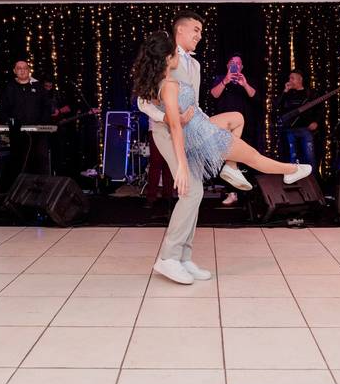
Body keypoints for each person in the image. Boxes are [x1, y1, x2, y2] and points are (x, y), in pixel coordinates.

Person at [133, 31, 311, 284]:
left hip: (201, 127)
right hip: (202, 138)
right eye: (174, 53)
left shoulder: (164, 81)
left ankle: (182, 257)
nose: (179, 56)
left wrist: (187, 117)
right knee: (253, 156)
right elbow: (174, 126)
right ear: (167, 57)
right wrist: (181, 165)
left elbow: (180, 115)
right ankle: (290, 170)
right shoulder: (168, 85)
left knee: (236, 119)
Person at [137, 11, 251, 285]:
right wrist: (166, 118)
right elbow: (143, 100)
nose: (200, 35)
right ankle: (168, 257)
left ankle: (183, 258)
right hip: (166, 131)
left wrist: (203, 125)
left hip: (190, 130)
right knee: (191, 191)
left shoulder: (195, 65)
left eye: (201, 31)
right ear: (180, 31)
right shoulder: (165, 55)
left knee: (195, 192)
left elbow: (195, 104)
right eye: (196, 30)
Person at [210, 53, 260, 205]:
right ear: (228, 66)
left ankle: (246, 194)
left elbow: (256, 97)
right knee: (228, 159)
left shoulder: (247, 80)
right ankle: (231, 192)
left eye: (238, 63)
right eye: (232, 63)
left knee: (244, 159)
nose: (235, 65)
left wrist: (244, 84)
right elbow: (213, 95)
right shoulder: (220, 78)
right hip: (225, 127)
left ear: (242, 67)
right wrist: (225, 81)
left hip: (245, 127)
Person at [0, 60, 52, 181]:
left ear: (29, 70)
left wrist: (42, 122)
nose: (22, 71)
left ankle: (40, 188)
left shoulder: (38, 87)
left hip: (38, 134)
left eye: (25, 68)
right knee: (19, 162)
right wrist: (9, 121)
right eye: (19, 68)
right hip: (17, 133)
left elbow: (46, 107)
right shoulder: (10, 87)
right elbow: (3, 108)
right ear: (15, 71)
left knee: (39, 161)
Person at [277, 70, 319, 168]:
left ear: (300, 79)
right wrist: (285, 91)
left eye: (293, 78)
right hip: (290, 130)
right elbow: (278, 106)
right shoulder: (288, 93)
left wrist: (316, 122)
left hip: (305, 129)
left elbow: (318, 109)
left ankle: (311, 177)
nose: (290, 80)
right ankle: (294, 176)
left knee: (309, 156)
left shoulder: (310, 93)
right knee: (292, 158)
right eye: (289, 78)